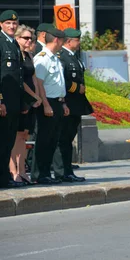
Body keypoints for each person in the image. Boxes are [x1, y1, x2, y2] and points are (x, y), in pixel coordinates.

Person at [53, 28, 91, 182]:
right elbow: (61, 80)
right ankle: (62, 171)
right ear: (69, 41)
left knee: (68, 139)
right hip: (68, 102)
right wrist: (76, 88)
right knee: (63, 139)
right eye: (77, 40)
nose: (79, 42)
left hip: (76, 105)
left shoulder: (73, 57)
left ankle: (67, 170)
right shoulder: (62, 57)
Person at [32, 26, 69, 185]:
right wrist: (46, 105)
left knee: (53, 140)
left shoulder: (55, 57)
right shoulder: (42, 58)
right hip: (48, 103)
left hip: (57, 102)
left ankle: (47, 173)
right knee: (44, 140)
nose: (63, 43)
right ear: (56, 40)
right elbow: (38, 84)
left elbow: (57, 83)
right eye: (62, 40)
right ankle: (39, 174)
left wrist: (63, 103)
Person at [9, 25, 41, 184]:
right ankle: (13, 171)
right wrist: (34, 95)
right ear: (17, 38)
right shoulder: (15, 55)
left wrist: (39, 96)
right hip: (21, 98)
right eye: (25, 38)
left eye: (31, 38)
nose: (29, 41)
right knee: (15, 136)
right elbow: (21, 81)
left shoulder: (29, 55)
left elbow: (33, 77)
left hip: (31, 100)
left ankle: (22, 170)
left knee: (23, 136)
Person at [0, 10, 26, 189]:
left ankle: (5, 177)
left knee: (8, 142)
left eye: (14, 23)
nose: (12, 26)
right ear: (1, 24)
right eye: (8, 23)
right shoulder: (1, 43)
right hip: (3, 102)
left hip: (14, 103)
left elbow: (19, 77)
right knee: (2, 141)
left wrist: (22, 102)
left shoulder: (14, 44)